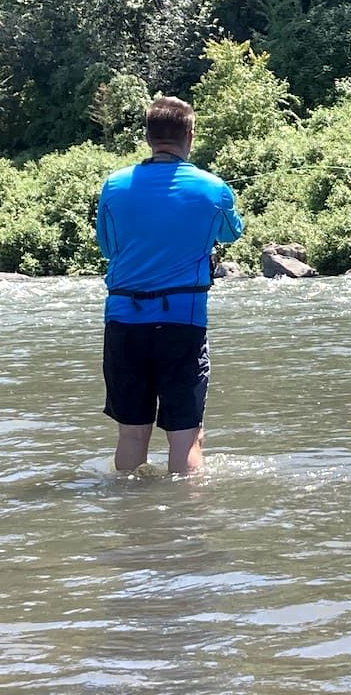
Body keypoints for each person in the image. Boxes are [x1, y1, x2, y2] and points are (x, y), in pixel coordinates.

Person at [95, 96, 244, 474]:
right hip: (183, 323)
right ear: (190, 134)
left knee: (131, 434)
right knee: (186, 436)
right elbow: (231, 233)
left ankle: (129, 516)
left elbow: (108, 247)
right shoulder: (214, 188)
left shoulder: (113, 186)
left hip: (124, 322)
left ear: (147, 137)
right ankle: (186, 525)